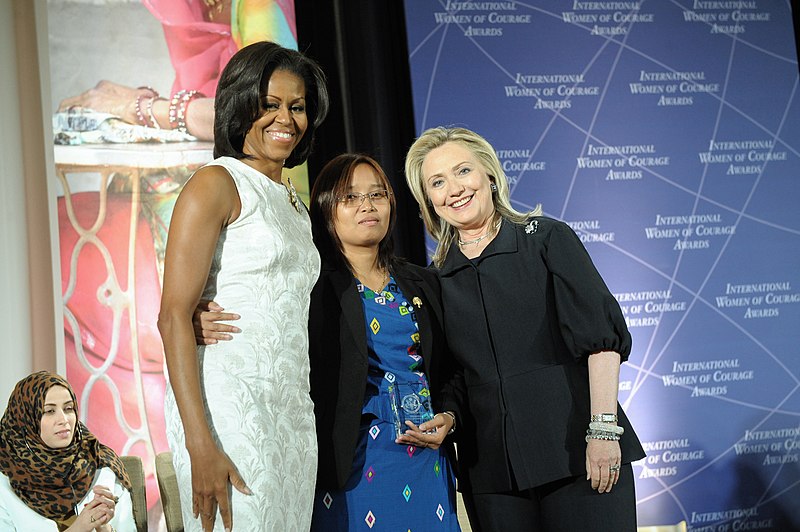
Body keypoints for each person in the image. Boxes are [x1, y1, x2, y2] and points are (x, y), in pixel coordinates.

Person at [195, 154, 462, 530]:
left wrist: (449, 416)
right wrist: (196, 317)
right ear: (324, 210)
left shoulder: (423, 281)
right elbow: (262, 322)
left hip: (425, 461)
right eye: (349, 197)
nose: (367, 206)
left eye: (377, 195)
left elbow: (452, 370)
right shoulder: (308, 286)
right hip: (348, 461)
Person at [403, 126, 646, 531]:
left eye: (463, 171)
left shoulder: (547, 238)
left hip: (578, 455)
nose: (455, 189)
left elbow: (601, 342)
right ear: (429, 200)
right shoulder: (436, 279)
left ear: (490, 176)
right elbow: (455, 376)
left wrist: (603, 431)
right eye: (438, 182)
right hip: (494, 476)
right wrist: (448, 414)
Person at [157, 40, 328, 532]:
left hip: (291, 411)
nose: (286, 119)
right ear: (239, 105)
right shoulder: (216, 182)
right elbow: (173, 315)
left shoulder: (295, 204)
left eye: (297, 106)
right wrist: (200, 442)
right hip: (229, 407)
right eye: (269, 104)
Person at [0, 371, 135, 531]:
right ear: (26, 419)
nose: (64, 419)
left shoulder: (102, 467)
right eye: (49, 411)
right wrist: (78, 528)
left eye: (68, 408)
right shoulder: (5, 484)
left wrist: (104, 528)